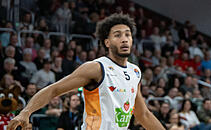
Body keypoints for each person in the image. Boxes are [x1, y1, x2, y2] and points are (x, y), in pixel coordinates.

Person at [9, 13, 164, 130]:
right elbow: (54, 89)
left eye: (127, 35)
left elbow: (143, 114)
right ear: (107, 42)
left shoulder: (135, 71)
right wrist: (26, 112)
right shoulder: (96, 68)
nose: (124, 39)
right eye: (117, 35)